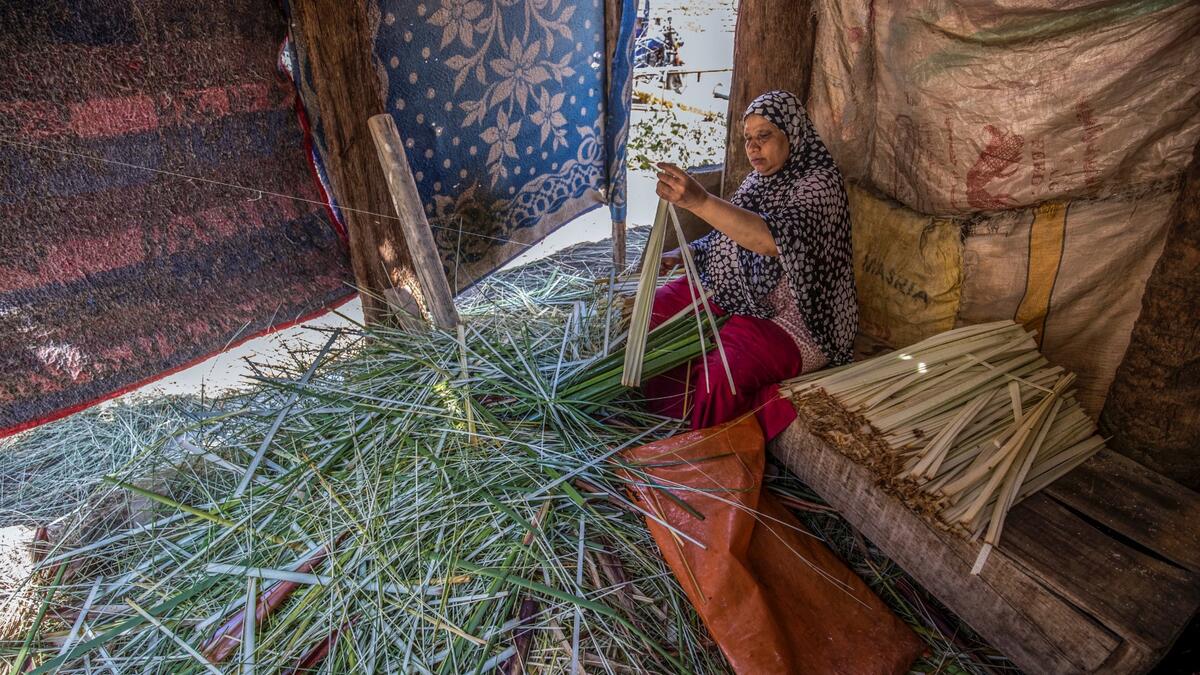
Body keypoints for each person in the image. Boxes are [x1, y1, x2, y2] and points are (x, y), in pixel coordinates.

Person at [644, 90, 856, 440]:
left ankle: (704, 447)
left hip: (798, 315)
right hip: (744, 292)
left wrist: (699, 200)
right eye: (748, 139)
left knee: (724, 370)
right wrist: (691, 252)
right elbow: (730, 235)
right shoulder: (759, 180)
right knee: (661, 310)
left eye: (764, 136)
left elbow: (769, 240)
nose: (753, 147)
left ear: (793, 134)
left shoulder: (820, 184)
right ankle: (675, 412)